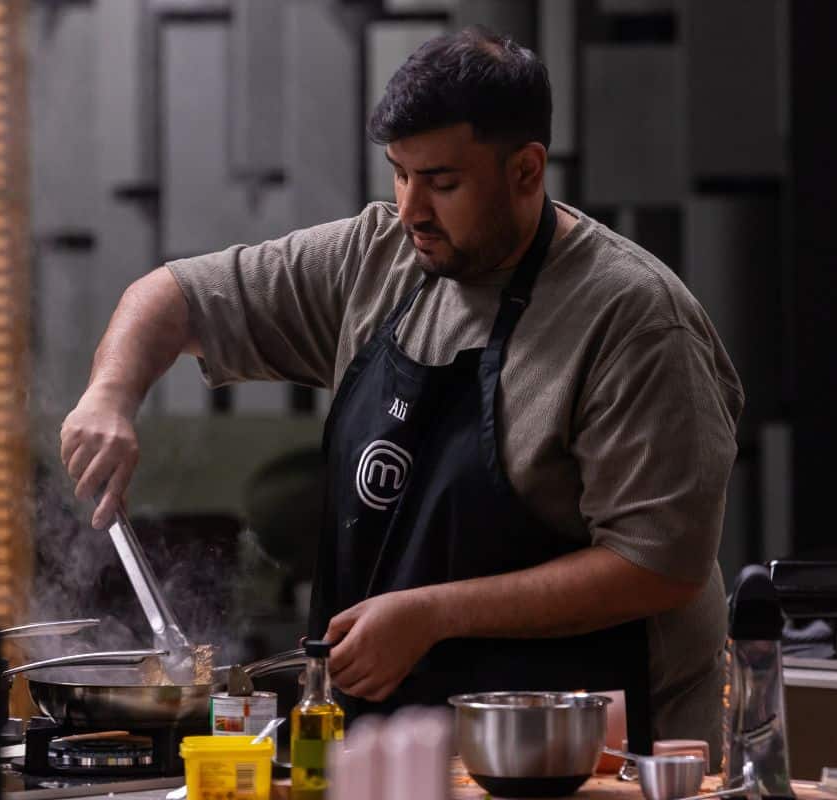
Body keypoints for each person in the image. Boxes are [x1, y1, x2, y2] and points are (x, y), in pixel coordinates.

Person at [60, 26, 742, 762]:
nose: (413, 208)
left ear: (525, 169)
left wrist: (433, 615)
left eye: (443, 183)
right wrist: (109, 396)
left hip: (593, 749)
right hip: (409, 747)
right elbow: (172, 298)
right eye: (399, 174)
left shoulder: (634, 320)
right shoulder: (377, 257)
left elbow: (658, 566)